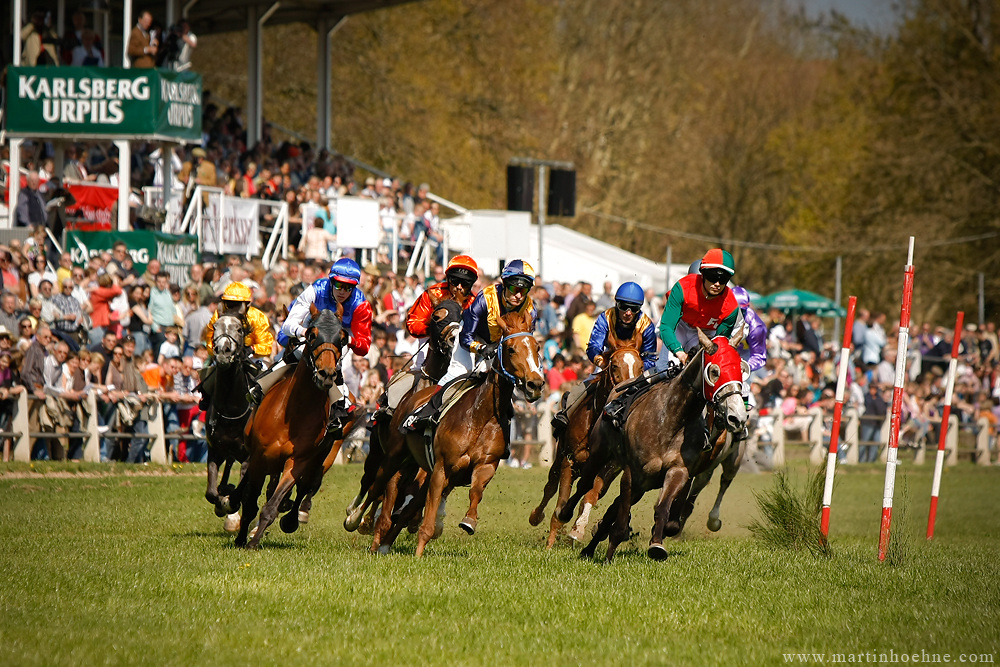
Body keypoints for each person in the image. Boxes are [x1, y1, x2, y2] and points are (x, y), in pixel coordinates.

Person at [402, 259, 536, 433]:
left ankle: (503, 429)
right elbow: (466, 336)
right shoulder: (485, 299)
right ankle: (426, 412)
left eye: (523, 290)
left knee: (503, 382)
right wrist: (480, 348)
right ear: (505, 284)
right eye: (514, 289)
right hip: (471, 339)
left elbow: (524, 342)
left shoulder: (530, 308)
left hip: (499, 345)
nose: (518, 295)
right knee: (458, 373)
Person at [251, 258, 373, 435]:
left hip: (341, 333)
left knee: (332, 360)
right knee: (299, 350)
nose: (343, 292)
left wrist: (349, 340)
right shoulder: (316, 290)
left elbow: (364, 346)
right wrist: (304, 332)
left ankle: (340, 406)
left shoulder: (361, 305)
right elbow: (286, 326)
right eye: (338, 285)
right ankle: (261, 385)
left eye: (348, 287)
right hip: (311, 325)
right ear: (331, 281)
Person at [370, 255, 479, 424]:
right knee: (402, 384)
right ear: (448, 279)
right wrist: (435, 326)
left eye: (464, 283)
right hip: (429, 348)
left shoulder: (474, 302)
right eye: (455, 281)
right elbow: (412, 325)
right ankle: (384, 411)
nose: (458, 287)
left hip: (462, 355)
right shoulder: (431, 294)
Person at [551, 282, 656, 436]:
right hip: (609, 364)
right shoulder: (606, 317)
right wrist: (600, 361)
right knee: (582, 388)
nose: (628, 312)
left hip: (636, 371)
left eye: (634, 309)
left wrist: (636, 370)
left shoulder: (646, 325)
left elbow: (650, 358)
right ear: (617, 304)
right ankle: (565, 415)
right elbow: (594, 345)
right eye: (624, 306)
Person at [659, 248, 743, 366]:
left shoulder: (731, 307)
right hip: (680, 326)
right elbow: (666, 326)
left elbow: (719, 343)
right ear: (702, 274)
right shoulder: (682, 288)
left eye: (723, 279)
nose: (717, 284)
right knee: (665, 367)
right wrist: (679, 352)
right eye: (713, 277)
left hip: (705, 333)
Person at [198, 282, 274, 410]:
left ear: (246, 304)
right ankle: (206, 398)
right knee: (208, 374)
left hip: (252, 356)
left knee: (266, 379)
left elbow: (266, 344)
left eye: (237, 304)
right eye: (229, 303)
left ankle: (266, 407)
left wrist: (251, 349)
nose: (232, 307)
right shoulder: (218, 315)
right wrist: (215, 350)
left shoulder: (257, 316)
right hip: (226, 354)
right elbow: (210, 339)